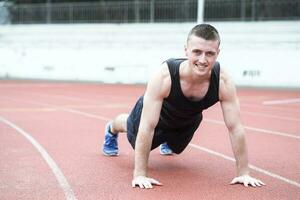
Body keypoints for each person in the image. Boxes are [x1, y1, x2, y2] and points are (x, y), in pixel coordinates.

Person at [102, 24, 265, 189]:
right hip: (154, 115)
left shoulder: (223, 81)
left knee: (176, 149)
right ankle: (111, 128)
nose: (203, 60)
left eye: (210, 53)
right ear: (186, 50)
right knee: (132, 134)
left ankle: (168, 139)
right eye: (197, 52)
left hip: (187, 119)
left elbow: (235, 127)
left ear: (218, 53)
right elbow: (147, 126)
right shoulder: (165, 76)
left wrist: (243, 173)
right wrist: (140, 175)